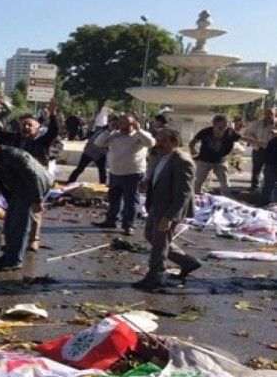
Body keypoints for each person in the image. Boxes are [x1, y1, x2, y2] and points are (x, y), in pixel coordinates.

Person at [133, 128, 200, 290]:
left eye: (163, 141)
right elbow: (157, 177)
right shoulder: (160, 156)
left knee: (159, 243)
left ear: (174, 142)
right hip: (156, 205)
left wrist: (169, 217)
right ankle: (187, 262)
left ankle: (155, 277)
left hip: (169, 209)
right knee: (151, 235)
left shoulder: (182, 161)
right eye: (158, 140)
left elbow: (183, 194)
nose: (159, 144)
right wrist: (146, 183)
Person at [0, 136, 52, 271]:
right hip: (20, 188)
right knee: (9, 223)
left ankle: (14, 261)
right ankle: (9, 255)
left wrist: (37, 200)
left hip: (35, 186)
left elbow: (32, 177)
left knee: (19, 224)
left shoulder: (13, 155)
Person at [3, 98, 59, 251]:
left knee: (35, 210)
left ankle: (34, 239)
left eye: (29, 125)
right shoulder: (17, 140)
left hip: (39, 181)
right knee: (17, 211)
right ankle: (15, 241)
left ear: (37, 128)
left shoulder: (42, 141)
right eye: (24, 125)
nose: (26, 127)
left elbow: (54, 131)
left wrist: (53, 114)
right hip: (20, 181)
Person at [92, 114, 155, 236]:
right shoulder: (114, 135)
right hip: (115, 172)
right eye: (120, 123)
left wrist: (139, 130)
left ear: (133, 124)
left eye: (126, 123)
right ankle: (110, 221)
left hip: (133, 174)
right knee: (114, 199)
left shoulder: (139, 135)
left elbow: (151, 143)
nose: (122, 125)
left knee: (131, 201)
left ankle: (129, 225)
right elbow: (98, 143)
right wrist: (109, 130)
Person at [189, 114, 260, 196]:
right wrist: (193, 150)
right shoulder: (206, 131)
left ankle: (226, 197)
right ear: (214, 124)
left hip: (220, 161)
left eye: (225, 125)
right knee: (198, 180)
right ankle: (194, 197)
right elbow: (192, 142)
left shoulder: (230, 132)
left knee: (225, 183)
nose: (223, 128)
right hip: (205, 160)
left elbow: (243, 138)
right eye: (220, 126)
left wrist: (259, 143)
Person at [66, 119, 112, 185]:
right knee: (81, 169)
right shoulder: (104, 133)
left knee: (102, 173)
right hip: (91, 152)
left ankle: (102, 187)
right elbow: (95, 143)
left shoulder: (105, 132)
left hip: (96, 153)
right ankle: (70, 182)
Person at [244, 108, 276, 191]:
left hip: (272, 151)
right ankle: (254, 186)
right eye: (267, 113)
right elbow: (248, 133)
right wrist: (255, 140)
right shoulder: (256, 123)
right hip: (259, 149)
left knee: (270, 169)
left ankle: (268, 187)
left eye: (271, 114)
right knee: (256, 169)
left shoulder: (276, 124)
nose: (269, 115)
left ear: (274, 115)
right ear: (264, 114)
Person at [262, 135, 277, 205]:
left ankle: (265, 204)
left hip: (270, 165)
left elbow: (266, 155)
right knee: (269, 188)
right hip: (271, 166)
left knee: (267, 188)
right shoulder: (272, 141)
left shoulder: (272, 141)